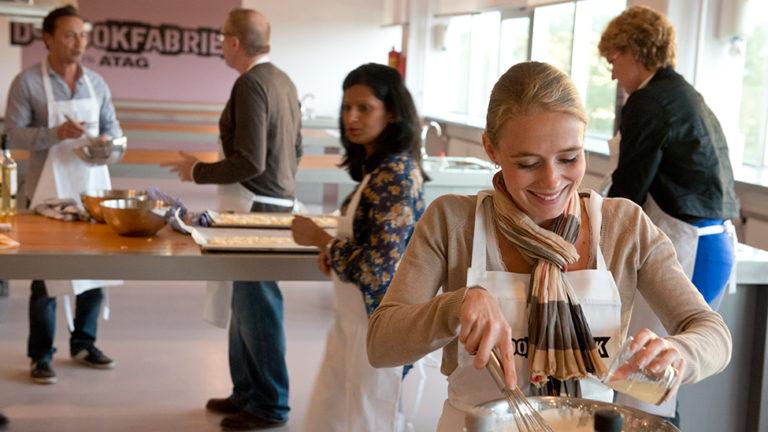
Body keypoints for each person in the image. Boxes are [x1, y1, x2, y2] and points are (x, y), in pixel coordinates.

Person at [366, 61, 732, 432]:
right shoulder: (453, 223)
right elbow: (381, 343)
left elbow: (711, 332)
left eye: (570, 158)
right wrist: (453, 307)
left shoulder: (624, 227)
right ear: (491, 148)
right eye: (527, 163)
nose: (552, 180)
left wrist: (681, 352)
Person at [598, 6, 740, 421]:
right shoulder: (681, 94)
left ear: (635, 50)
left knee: (648, 378)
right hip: (710, 242)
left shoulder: (649, 101)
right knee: (650, 376)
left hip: (687, 244)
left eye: (614, 60)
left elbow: (628, 191)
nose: (612, 74)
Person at [162, 8, 301, 431]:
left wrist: (199, 171)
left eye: (222, 37)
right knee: (243, 306)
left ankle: (270, 404)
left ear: (235, 42)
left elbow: (250, 161)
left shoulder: (250, 84)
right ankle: (246, 391)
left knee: (258, 307)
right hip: (275, 204)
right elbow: (294, 152)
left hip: (255, 207)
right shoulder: (282, 80)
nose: (220, 44)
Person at [291, 63, 427, 431]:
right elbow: (369, 248)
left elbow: (378, 268)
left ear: (392, 112)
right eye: (346, 107)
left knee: (369, 417)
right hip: (354, 323)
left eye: (364, 108)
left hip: (378, 326)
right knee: (342, 412)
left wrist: (321, 240)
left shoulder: (395, 176)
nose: (351, 117)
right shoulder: (378, 170)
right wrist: (335, 256)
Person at [4, 5, 121, 385]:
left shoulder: (96, 84)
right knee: (46, 277)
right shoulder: (27, 83)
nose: (78, 43)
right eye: (70, 35)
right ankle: (41, 354)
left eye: (83, 35)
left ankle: (84, 343)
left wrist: (108, 145)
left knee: (95, 270)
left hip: (91, 188)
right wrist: (55, 134)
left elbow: (115, 133)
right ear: (48, 39)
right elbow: (15, 136)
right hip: (45, 192)